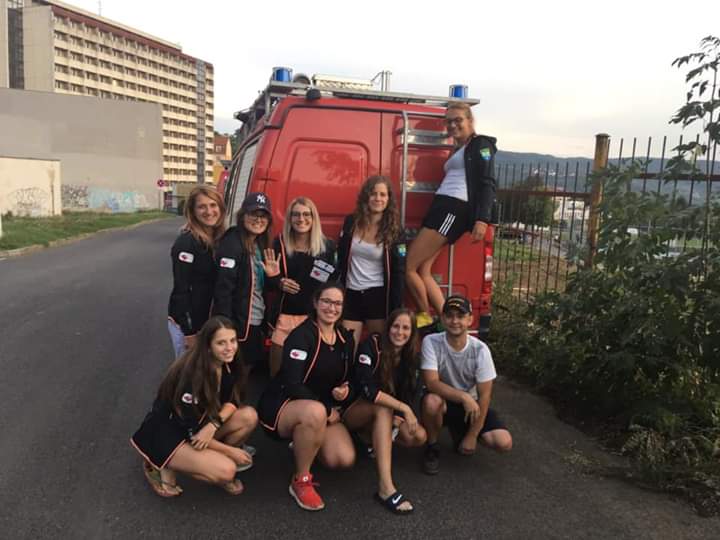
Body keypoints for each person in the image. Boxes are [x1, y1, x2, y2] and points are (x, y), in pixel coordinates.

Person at [130, 316, 258, 497]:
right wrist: (231, 451)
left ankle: (210, 463)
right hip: (171, 433)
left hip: (200, 424)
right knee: (228, 470)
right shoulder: (192, 376)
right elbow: (191, 433)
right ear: (208, 346)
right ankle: (160, 464)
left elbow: (235, 399)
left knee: (249, 416)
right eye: (221, 343)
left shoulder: (230, 362)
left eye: (232, 340)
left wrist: (213, 425)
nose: (230, 348)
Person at [257, 283, 356, 511]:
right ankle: (301, 480)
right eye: (326, 301)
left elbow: (350, 376)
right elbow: (292, 383)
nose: (332, 308)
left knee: (342, 459)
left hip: (320, 409)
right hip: (285, 403)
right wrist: (327, 410)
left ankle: (305, 440)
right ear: (315, 303)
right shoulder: (301, 336)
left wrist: (346, 389)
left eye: (337, 303)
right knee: (315, 412)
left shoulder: (345, 338)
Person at [405, 102, 498, 328]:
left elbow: (488, 182)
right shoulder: (461, 149)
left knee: (407, 266)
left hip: (453, 208)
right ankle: (449, 324)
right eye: (449, 121)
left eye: (458, 120)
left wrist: (482, 219)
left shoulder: (481, 144)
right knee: (424, 270)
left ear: (470, 121)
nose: (453, 125)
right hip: (443, 207)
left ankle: (425, 317)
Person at [343, 308, 427, 515]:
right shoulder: (371, 345)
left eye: (406, 328)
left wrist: (399, 418)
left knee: (418, 436)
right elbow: (368, 390)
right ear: (388, 327)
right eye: (396, 326)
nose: (400, 332)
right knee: (382, 408)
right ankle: (386, 488)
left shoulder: (412, 356)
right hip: (354, 411)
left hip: (387, 414)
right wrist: (403, 408)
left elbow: (413, 394)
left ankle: (368, 440)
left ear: (412, 332)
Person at [420, 295, 512, 475]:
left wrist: (472, 436)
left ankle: (463, 432)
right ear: (442, 319)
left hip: (472, 406)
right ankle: (432, 447)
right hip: (443, 401)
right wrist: (463, 397)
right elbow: (431, 383)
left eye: (460, 316)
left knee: (503, 442)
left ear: (470, 319)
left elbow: (485, 396)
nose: (455, 321)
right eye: (449, 316)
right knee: (431, 402)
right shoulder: (430, 342)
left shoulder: (481, 350)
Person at [266, 197, 337, 376]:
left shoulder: (327, 247)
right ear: (289, 218)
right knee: (276, 373)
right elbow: (267, 283)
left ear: (314, 218)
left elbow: (334, 284)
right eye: (296, 214)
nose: (301, 219)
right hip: (285, 317)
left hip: (314, 319)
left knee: (309, 374)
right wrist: (278, 281)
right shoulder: (279, 243)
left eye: (306, 214)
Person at [213, 192, 280, 373]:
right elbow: (223, 290)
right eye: (253, 214)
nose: (259, 220)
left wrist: (273, 277)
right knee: (233, 371)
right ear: (242, 216)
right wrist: (225, 327)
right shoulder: (232, 244)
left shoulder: (260, 245)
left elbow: (262, 287)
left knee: (245, 370)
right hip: (239, 322)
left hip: (256, 319)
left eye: (263, 216)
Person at [337, 175, 406, 350]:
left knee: (379, 348)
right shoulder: (351, 222)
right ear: (366, 196)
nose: (378, 198)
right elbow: (340, 257)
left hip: (377, 296)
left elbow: (399, 270)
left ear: (388, 199)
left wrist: (397, 306)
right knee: (347, 347)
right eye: (373, 194)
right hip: (351, 293)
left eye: (383, 194)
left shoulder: (395, 230)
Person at [168, 186, 227, 358]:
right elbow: (181, 289)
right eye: (202, 207)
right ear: (193, 211)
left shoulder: (219, 240)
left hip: (208, 321)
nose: (209, 211)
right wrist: (189, 332)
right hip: (189, 324)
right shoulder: (186, 243)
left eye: (213, 205)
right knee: (189, 372)